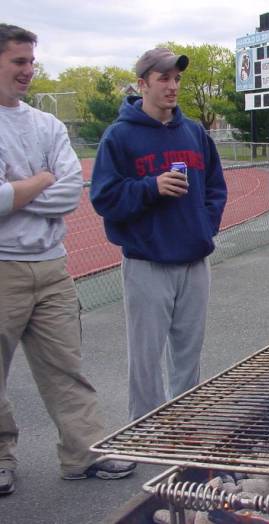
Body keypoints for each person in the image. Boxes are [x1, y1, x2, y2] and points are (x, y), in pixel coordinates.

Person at [0, 24, 135, 496]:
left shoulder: (47, 125)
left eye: (31, 62)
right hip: (3, 268)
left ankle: (84, 454)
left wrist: (19, 189)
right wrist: (40, 182)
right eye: (19, 61)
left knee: (66, 366)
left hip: (53, 266)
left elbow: (67, 194)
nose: (28, 71)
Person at [90, 47, 227, 421]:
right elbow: (103, 197)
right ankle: (144, 430)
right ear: (142, 83)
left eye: (177, 79)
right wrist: (150, 187)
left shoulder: (194, 132)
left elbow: (216, 187)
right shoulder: (120, 136)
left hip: (194, 260)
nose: (172, 86)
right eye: (163, 78)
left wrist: (204, 226)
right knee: (146, 358)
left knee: (188, 353)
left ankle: (182, 426)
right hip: (147, 262)